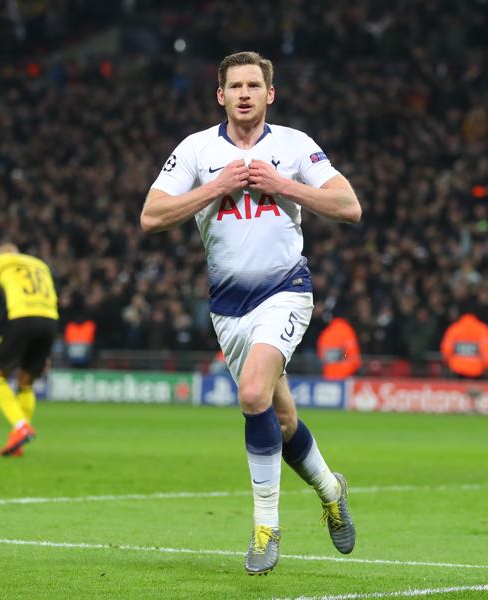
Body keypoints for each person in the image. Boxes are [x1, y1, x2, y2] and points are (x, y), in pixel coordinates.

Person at [141, 51, 361, 575]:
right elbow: (151, 217)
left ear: (270, 94)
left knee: (252, 393)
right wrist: (215, 187)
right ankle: (331, 489)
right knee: (281, 420)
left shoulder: (294, 146)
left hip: (286, 290)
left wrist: (281, 185)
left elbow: (349, 206)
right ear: (220, 95)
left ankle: (266, 526)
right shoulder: (196, 150)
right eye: (234, 86)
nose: (244, 93)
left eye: (253, 85)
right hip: (228, 308)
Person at [0, 243, 58, 457]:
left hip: (22, 318)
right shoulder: (40, 265)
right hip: (50, 321)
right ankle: (18, 442)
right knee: (26, 383)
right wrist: (46, 352)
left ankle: (21, 426)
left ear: (0, 254)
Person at [440, 307, 488, 379]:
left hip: (457, 369)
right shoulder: (483, 329)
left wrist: (447, 363)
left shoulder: (454, 328)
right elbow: (486, 351)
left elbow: (446, 350)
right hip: (477, 371)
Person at [316, 313, 361, 380]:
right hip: (345, 377)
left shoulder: (325, 333)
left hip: (327, 377)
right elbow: (355, 359)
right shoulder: (348, 332)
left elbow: (321, 357)